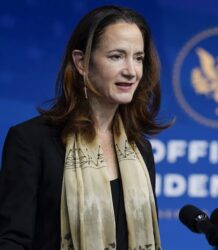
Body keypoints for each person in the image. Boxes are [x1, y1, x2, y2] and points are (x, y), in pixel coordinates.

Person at [0, 5, 170, 250]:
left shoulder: (139, 148)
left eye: (138, 58)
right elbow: (12, 241)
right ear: (81, 62)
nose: (131, 71)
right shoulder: (31, 141)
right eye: (116, 56)